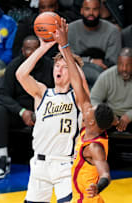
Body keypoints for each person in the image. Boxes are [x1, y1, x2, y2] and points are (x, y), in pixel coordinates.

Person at [15, 19, 89, 202]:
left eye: (65, 68)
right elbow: (20, 74)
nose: (60, 69)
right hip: (39, 164)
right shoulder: (42, 93)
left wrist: (65, 47)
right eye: (57, 66)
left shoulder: (77, 97)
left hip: (64, 164)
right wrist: (43, 47)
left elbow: (80, 83)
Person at [50, 18, 117, 203]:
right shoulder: (90, 126)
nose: (86, 109)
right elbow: (78, 83)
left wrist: (99, 186)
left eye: (90, 111)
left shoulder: (95, 148)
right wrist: (65, 47)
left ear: (92, 121)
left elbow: (105, 173)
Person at [90, 47, 132, 181]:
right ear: (117, 63)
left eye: (128, 65)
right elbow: (94, 99)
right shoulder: (106, 76)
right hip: (112, 117)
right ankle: (97, 166)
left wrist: (130, 116)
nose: (124, 68)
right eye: (121, 64)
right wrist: (108, 116)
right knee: (96, 120)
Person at [0, 35, 55, 179]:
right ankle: (2, 159)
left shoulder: (50, 66)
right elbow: (2, 95)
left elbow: (55, 94)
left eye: (35, 49)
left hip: (44, 110)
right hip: (19, 110)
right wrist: (22, 111)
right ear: (22, 50)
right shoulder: (14, 66)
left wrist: (40, 112)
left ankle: (47, 162)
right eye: (28, 50)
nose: (31, 53)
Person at [12, 0, 80, 58]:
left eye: (50, 6)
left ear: (56, 7)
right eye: (43, 7)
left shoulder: (66, 22)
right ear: (39, 9)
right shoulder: (26, 24)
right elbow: (16, 51)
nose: (47, 10)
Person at [68, 0, 121, 70]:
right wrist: (91, 61)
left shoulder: (112, 31)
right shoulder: (70, 29)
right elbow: (68, 58)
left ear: (100, 11)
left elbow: (113, 62)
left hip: (104, 72)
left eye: (95, 9)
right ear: (81, 11)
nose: (91, 13)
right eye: (87, 9)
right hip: (75, 70)